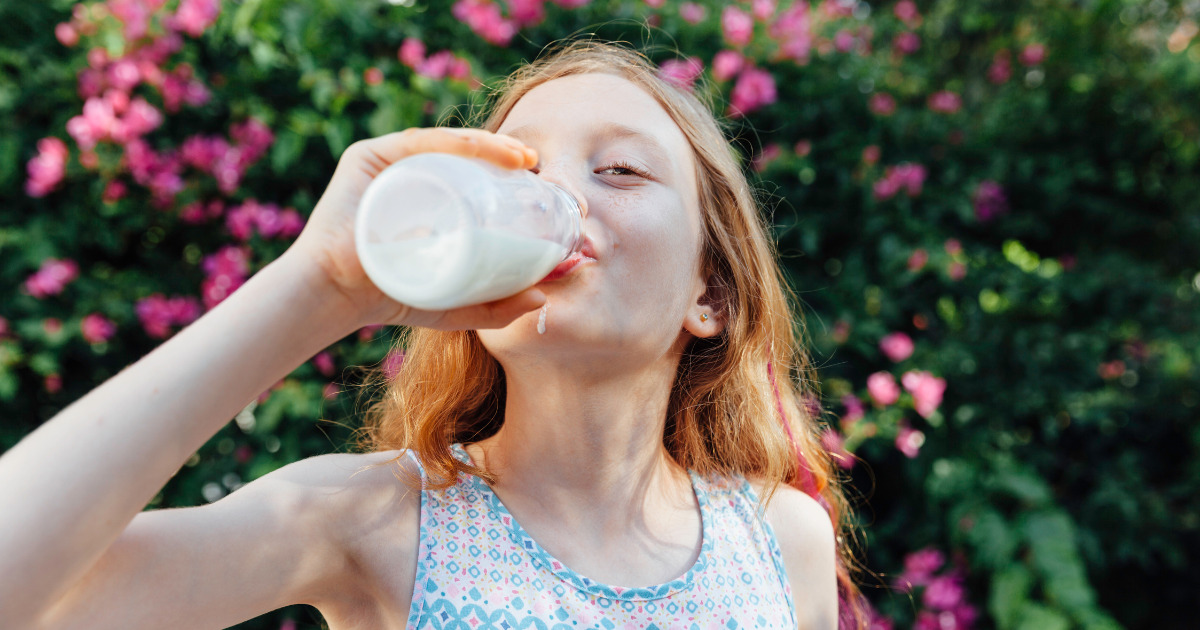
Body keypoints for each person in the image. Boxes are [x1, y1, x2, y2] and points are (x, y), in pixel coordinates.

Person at [0, 41, 858, 629]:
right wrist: (321, 284)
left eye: (620, 170)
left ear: (707, 292)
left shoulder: (781, 540)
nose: (559, 194)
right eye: (518, 165)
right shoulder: (370, 521)